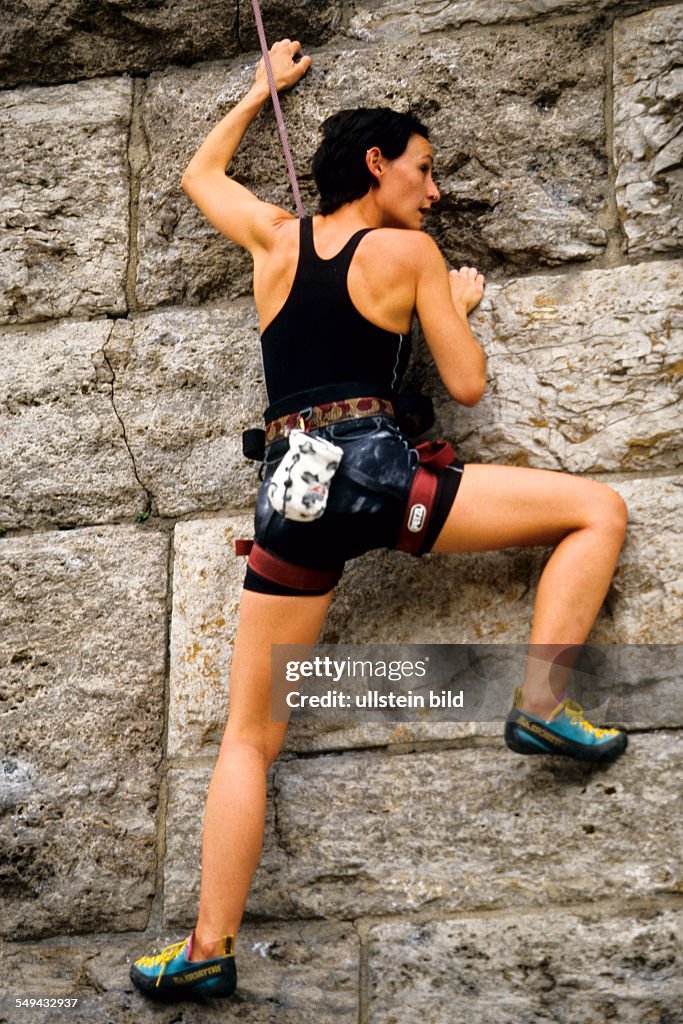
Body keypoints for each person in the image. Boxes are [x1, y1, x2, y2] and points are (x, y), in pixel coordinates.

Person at [130, 39, 629, 1002]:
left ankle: (204, 949)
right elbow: (467, 382)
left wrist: (258, 90)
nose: (433, 192)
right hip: (372, 477)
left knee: (248, 736)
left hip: (290, 493)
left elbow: (199, 173)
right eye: (424, 168)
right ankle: (538, 704)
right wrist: (451, 302)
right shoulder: (409, 253)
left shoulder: (273, 239)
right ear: (376, 164)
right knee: (595, 511)